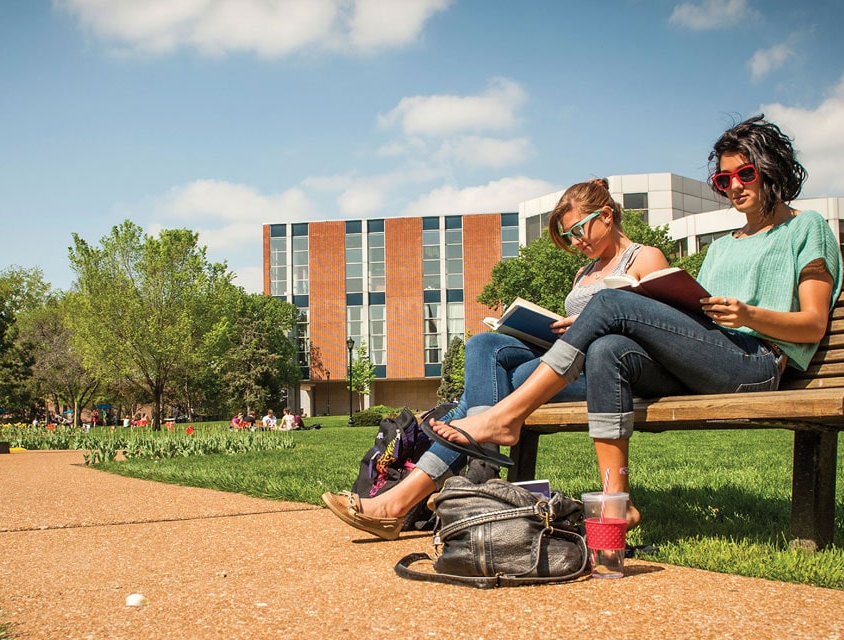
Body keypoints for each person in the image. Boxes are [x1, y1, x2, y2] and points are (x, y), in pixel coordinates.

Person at [425, 115, 841, 533]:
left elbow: (812, 325)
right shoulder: (721, 249)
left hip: (758, 363)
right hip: (707, 359)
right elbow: (696, 322)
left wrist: (749, 316)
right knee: (607, 349)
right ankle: (615, 500)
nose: (734, 187)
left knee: (609, 301)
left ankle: (502, 421)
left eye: (745, 174)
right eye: (723, 180)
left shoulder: (805, 228)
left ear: (772, 169)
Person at [322, 177, 671, 539]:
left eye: (580, 229)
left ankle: (406, 500)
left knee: (479, 401)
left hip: (606, 368)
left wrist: (588, 326)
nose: (577, 241)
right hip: (564, 361)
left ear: (608, 215)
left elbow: (659, 330)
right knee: (483, 345)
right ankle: (474, 473)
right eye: (570, 236)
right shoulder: (583, 272)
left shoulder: (644, 258)